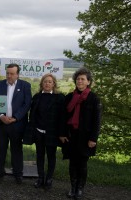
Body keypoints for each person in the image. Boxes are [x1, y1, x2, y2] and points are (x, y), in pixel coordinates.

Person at [59, 67, 102, 199]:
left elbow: (97, 121)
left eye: (83, 79)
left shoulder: (94, 99)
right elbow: (62, 117)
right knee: (72, 163)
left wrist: (93, 139)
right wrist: (62, 134)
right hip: (71, 136)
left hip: (86, 137)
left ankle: (80, 189)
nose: (80, 81)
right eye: (78, 79)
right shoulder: (69, 97)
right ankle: (73, 188)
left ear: (88, 82)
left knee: (82, 164)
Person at [0, 63, 32, 184]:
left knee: (17, 150)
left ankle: (18, 174)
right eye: (7, 73)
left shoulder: (25, 86)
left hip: (17, 124)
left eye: (12, 73)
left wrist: (15, 117)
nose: (9, 76)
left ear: (17, 74)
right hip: (1, 124)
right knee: (0, 149)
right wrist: (1, 116)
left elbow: (27, 104)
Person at [28, 73, 65, 189]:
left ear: (54, 84)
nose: (47, 83)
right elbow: (32, 114)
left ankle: (49, 179)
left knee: (51, 156)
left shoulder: (60, 98)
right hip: (38, 132)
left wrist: (61, 133)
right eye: (45, 81)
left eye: (50, 81)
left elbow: (62, 117)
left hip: (52, 133)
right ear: (41, 83)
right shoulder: (37, 97)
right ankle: (40, 178)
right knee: (39, 156)